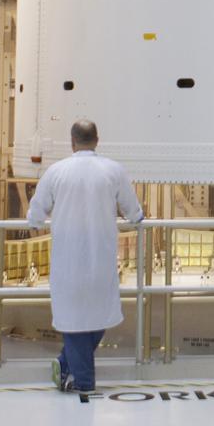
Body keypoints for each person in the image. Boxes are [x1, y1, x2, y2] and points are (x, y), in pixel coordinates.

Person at [27, 119, 143, 394]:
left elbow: (35, 214)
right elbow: (134, 211)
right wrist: (137, 218)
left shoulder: (56, 172)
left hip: (67, 261)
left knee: (75, 320)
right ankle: (80, 378)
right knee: (96, 318)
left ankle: (78, 377)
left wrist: (35, 223)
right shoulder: (113, 170)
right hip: (101, 260)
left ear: (72, 142)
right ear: (97, 140)